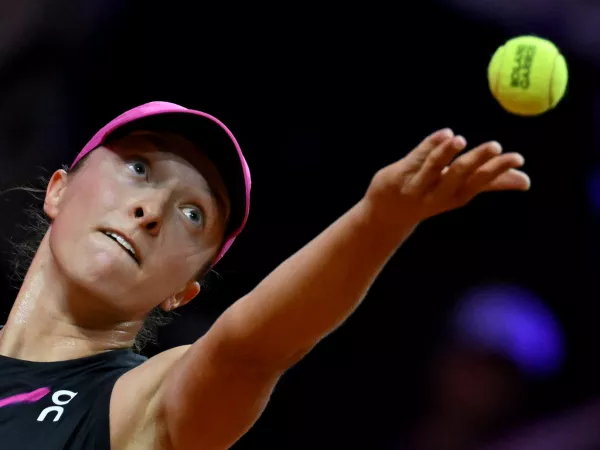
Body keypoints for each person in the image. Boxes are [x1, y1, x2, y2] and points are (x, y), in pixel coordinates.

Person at [0, 100, 530, 450]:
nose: (153, 210)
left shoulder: (143, 403)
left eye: (193, 215)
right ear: (59, 189)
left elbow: (250, 347)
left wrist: (378, 220)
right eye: (139, 167)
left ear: (182, 294)